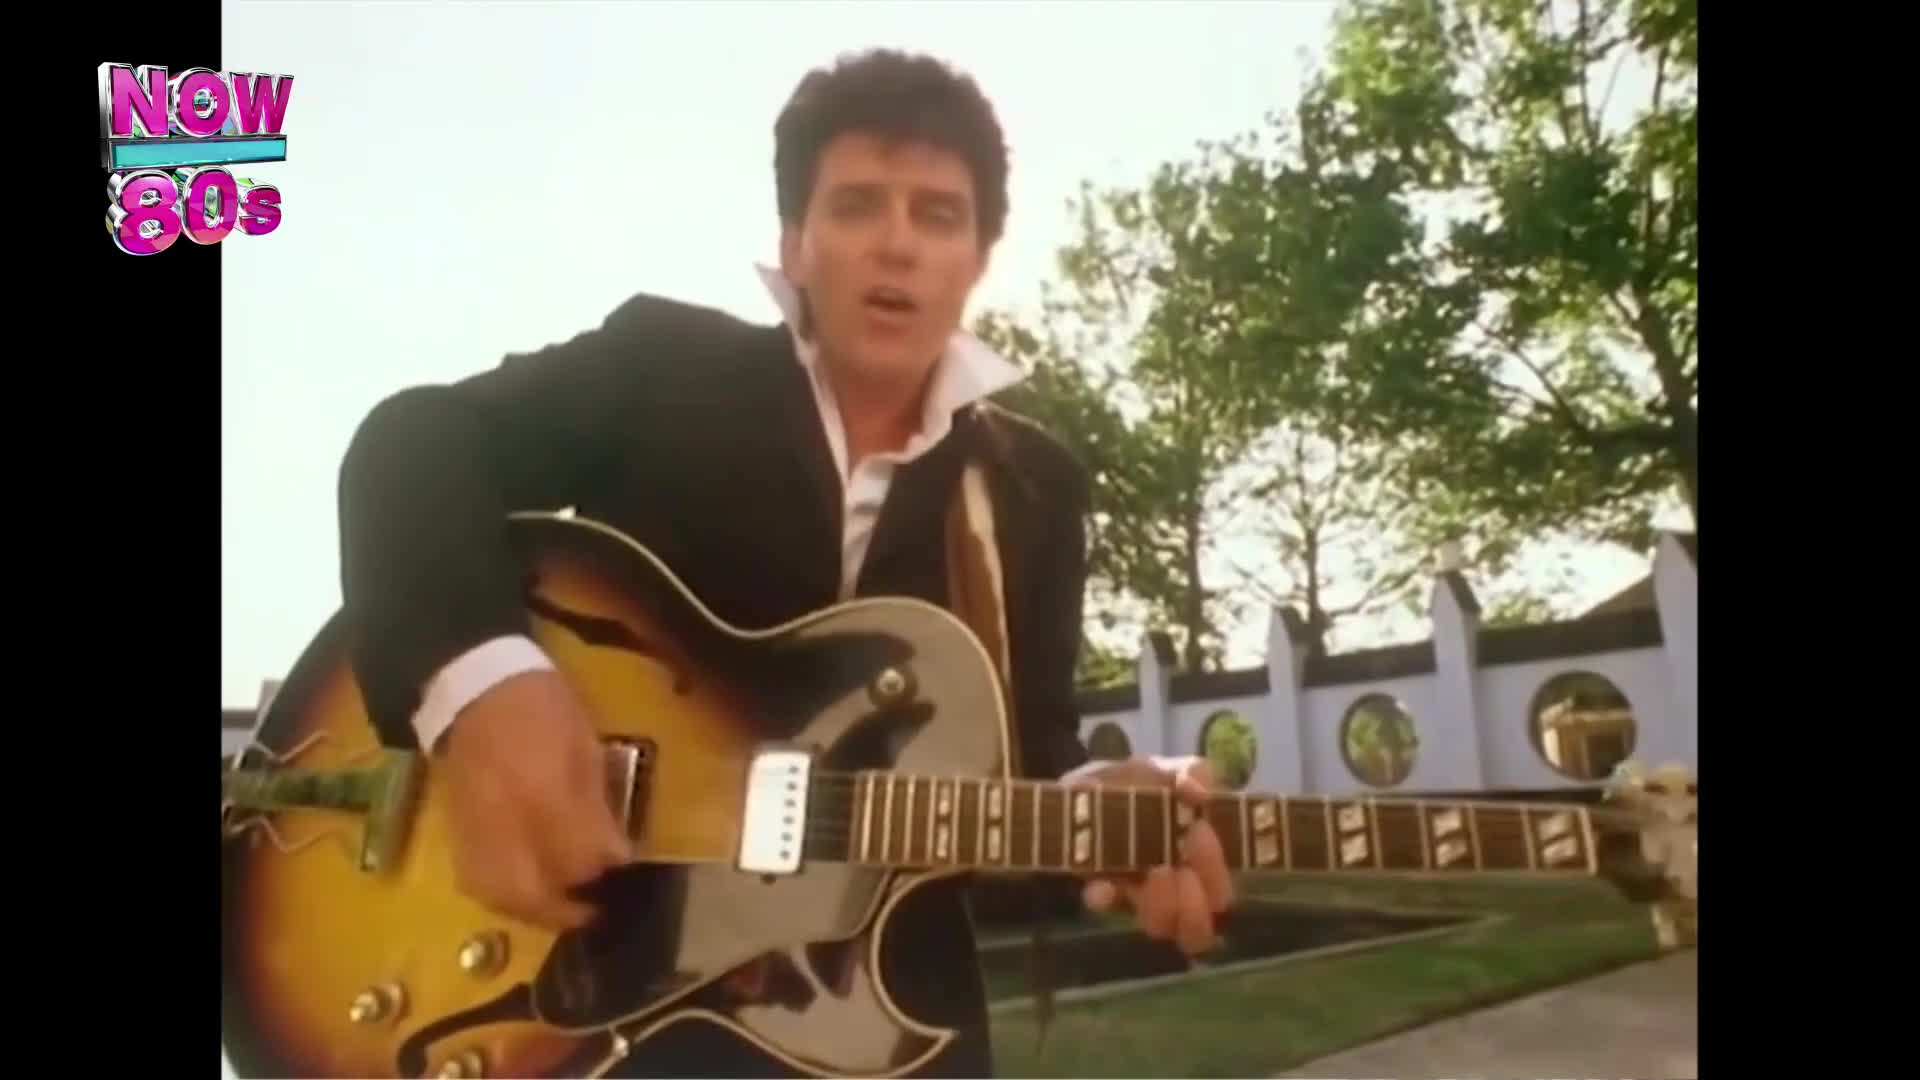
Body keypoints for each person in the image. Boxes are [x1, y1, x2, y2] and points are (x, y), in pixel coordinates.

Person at [336, 48, 1232, 1078]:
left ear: (980, 256)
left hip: (893, 1027)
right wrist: (479, 680)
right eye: (857, 205)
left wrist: (1097, 805)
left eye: (938, 214)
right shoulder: (664, 367)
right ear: (796, 242)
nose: (897, 243)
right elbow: (416, 444)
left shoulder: (1035, 488)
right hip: (605, 1004)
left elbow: (1019, 756)